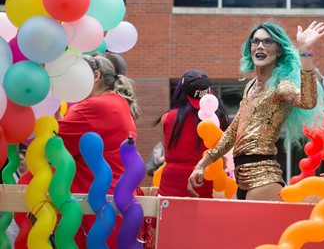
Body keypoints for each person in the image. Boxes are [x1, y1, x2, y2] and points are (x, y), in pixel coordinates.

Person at [188, 21, 324, 201]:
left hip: (263, 179)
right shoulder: (250, 86)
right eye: (256, 41)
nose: (260, 46)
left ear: (279, 50)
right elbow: (233, 133)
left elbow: (308, 101)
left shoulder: (281, 84)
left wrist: (305, 51)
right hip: (241, 178)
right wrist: (201, 164)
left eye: (268, 42)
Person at [58, 52, 140, 248]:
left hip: (94, 206)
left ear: (95, 76)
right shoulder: (118, 102)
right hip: (113, 202)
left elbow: (51, 146)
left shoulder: (92, 107)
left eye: (75, 76)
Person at [157, 69, 229, 198]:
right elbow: (223, 157)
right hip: (202, 181)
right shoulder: (220, 120)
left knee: (168, 217)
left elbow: (167, 148)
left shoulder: (167, 118)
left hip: (170, 183)